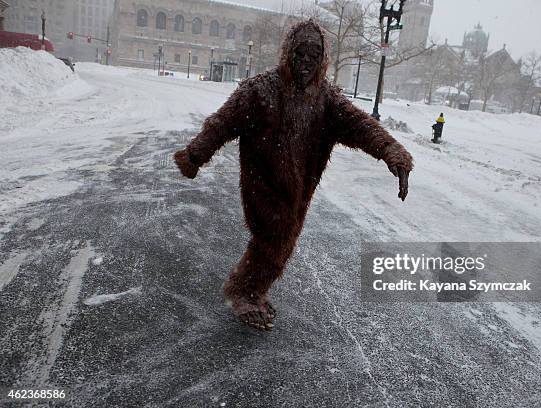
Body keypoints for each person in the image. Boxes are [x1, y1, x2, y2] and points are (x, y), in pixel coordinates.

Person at [173, 20, 413, 331]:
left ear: (322, 60)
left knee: (284, 240)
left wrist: (392, 152)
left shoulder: (325, 98)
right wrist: (194, 156)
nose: (307, 62)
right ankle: (242, 291)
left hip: (300, 187)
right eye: (301, 54)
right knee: (274, 236)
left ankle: (252, 289)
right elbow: (222, 124)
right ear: (288, 54)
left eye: (315, 56)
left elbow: (359, 126)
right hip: (264, 181)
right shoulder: (260, 91)